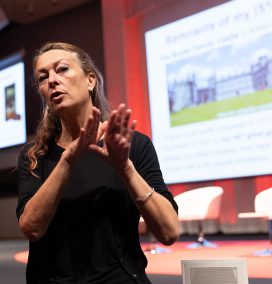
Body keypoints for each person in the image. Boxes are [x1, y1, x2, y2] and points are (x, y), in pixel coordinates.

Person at [16, 42, 180, 284]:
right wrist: (68, 159)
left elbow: (169, 231)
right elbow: (31, 228)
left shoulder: (132, 145)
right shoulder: (34, 155)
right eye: (43, 77)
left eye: (62, 69)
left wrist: (125, 168)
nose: (51, 80)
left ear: (90, 80)